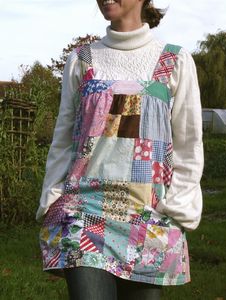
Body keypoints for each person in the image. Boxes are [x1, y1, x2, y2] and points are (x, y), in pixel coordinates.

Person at [36, 0, 204, 299]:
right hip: (84, 211)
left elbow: (189, 143)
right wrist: (52, 194)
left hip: (148, 215)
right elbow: (63, 137)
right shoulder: (82, 59)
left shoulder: (173, 61)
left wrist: (177, 206)